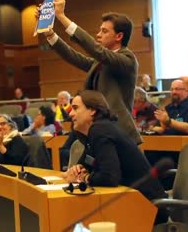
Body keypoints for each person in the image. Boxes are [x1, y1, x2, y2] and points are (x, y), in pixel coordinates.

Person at [38, 0, 142, 144]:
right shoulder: (101, 61)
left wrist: (61, 16)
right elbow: (74, 57)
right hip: (96, 127)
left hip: (118, 132)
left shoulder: (127, 59)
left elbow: (97, 50)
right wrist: (50, 33)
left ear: (119, 36)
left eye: (104, 31)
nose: (98, 35)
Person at [62, 90, 167, 224]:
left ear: (92, 110)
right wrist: (79, 169)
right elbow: (89, 165)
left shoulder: (100, 130)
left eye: (75, 108)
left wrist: (84, 178)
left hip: (148, 207)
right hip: (130, 201)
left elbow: (109, 177)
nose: (70, 114)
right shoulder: (95, 132)